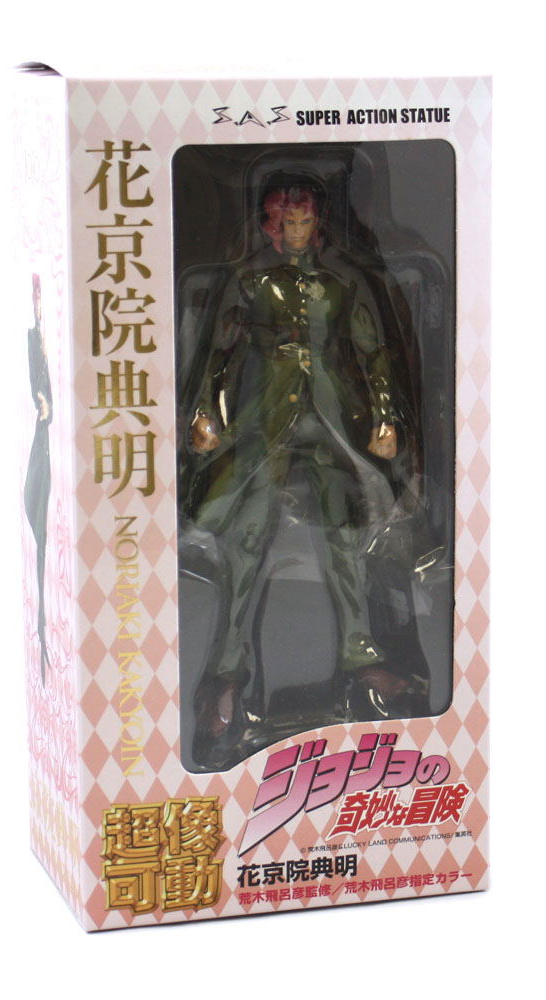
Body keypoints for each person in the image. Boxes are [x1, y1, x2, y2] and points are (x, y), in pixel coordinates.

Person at [186, 185, 427, 767]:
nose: (296, 229)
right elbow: (219, 350)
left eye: (304, 220)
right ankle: (226, 672)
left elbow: (373, 351)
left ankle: (361, 655)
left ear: (316, 224)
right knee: (245, 540)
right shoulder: (252, 281)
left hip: (333, 417)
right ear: (273, 227)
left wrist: (386, 417)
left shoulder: (343, 282)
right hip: (264, 419)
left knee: (346, 537)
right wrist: (205, 411)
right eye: (287, 221)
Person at [24, 273, 52, 683]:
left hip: (49, 447)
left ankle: (44, 633)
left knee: (44, 539)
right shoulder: (34, 339)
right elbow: (39, 396)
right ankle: (43, 631)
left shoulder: (47, 342)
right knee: (39, 534)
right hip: (42, 448)